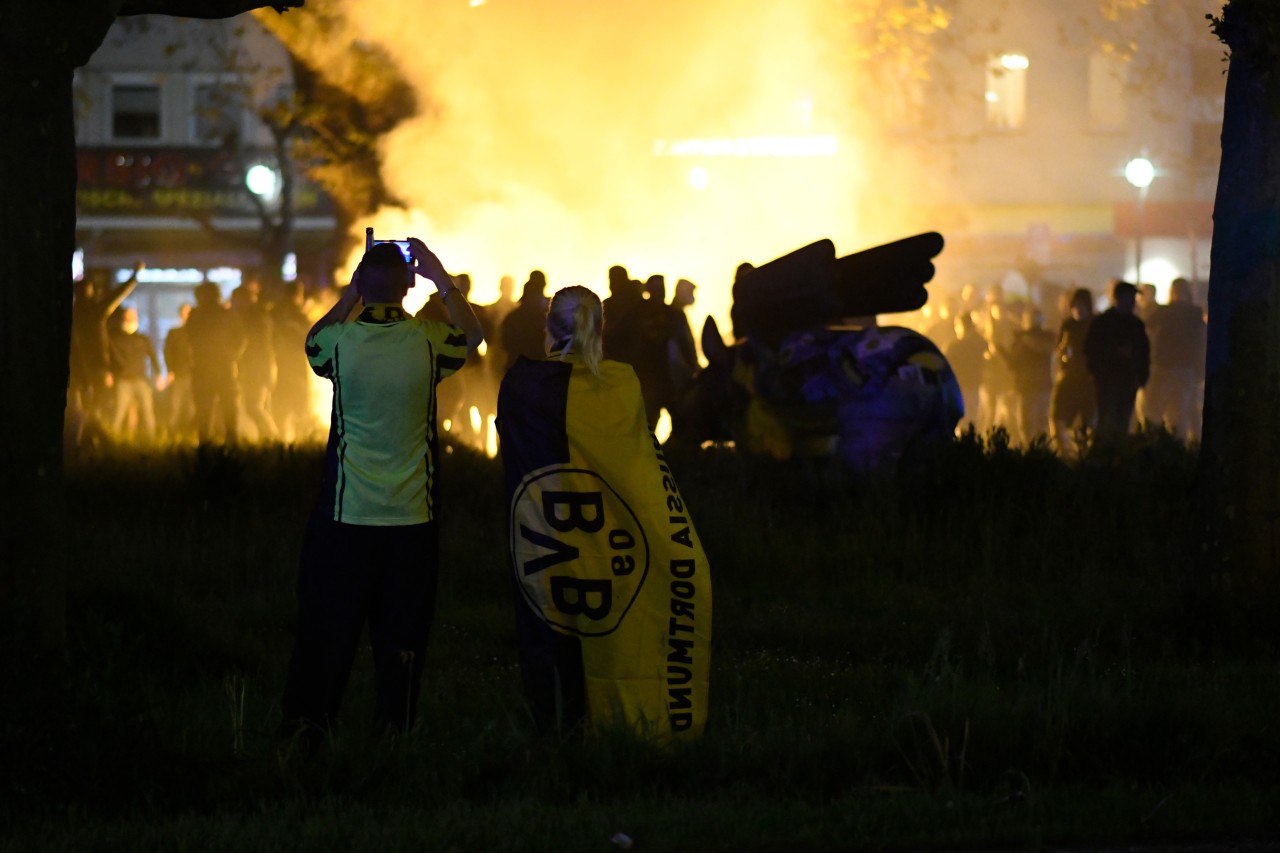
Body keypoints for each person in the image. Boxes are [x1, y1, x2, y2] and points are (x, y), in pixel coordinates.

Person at [281, 238, 482, 747]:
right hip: (412, 519)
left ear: (361, 287)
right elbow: (474, 337)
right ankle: (394, 739)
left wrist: (350, 296)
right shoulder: (431, 342)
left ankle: (309, 735)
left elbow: (313, 341)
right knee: (402, 641)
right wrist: (441, 277)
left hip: (345, 518)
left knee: (328, 636)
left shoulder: (338, 344)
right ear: (410, 285)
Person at [496, 285, 711, 741]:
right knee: (607, 636)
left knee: (554, 639)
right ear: (602, 327)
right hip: (608, 536)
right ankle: (620, 721)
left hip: (546, 537)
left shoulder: (521, 383)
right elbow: (635, 462)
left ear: (547, 326)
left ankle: (557, 731)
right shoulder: (622, 381)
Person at [1142, 277, 1206, 440]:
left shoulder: (1166, 311)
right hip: (1185, 368)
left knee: (1156, 409)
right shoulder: (1194, 313)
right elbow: (1201, 340)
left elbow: (1147, 325)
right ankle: (1180, 446)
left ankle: (1158, 443)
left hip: (1164, 366)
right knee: (1181, 411)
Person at [1085, 279, 1150, 437]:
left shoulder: (1136, 324)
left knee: (1122, 422)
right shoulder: (1102, 323)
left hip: (1127, 381)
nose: (1134, 301)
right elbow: (1091, 350)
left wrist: (1141, 377)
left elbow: (1144, 352)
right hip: (1108, 381)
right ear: (1119, 298)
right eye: (1131, 297)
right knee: (1108, 421)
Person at [186, 281, 247, 445]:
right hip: (220, 366)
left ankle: (207, 445)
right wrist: (232, 355)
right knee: (227, 407)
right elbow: (241, 339)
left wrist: (230, 355)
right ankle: (230, 443)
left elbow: (190, 339)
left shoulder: (197, 315)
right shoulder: (225, 314)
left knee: (207, 409)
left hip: (208, 367)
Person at [1050, 288, 1096, 454]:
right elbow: (1060, 347)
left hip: (1089, 381)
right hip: (1068, 377)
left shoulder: (1096, 324)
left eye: (1081, 305)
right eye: (1075, 305)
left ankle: (1087, 454)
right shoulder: (1068, 324)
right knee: (1057, 417)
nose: (1077, 308)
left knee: (1089, 420)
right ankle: (1064, 453)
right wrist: (1062, 355)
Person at [106, 306, 162, 442]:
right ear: (123, 318)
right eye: (129, 316)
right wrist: (109, 373)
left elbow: (153, 357)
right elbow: (110, 359)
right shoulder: (116, 339)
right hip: (124, 380)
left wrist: (159, 375)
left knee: (148, 412)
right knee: (120, 412)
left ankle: (152, 441)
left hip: (141, 380)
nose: (132, 319)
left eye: (134, 316)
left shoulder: (143, 339)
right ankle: (113, 441)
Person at [163, 303, 196, 442]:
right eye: (185, 312)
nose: (187, 315)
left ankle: (190, 436)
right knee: (175, 408)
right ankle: (172, 438)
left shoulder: (197, 333)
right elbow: (167, 352)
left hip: (195, 377)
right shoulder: (174, 333)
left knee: (192, 409)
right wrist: (170, 370)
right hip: (179, 375)